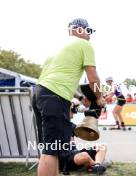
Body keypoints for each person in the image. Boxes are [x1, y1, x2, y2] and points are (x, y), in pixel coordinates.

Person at [32, 18, 103, 176]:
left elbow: (57, 78)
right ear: (79, 29)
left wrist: (79, 95)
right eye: (88, 31)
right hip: (54, 97)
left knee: (52, 147)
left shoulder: (59, 48)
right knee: (51, 150)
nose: (90, 36)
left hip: (40, 94)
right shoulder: (84, 44)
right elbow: (93, 79)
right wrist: (99, 97)